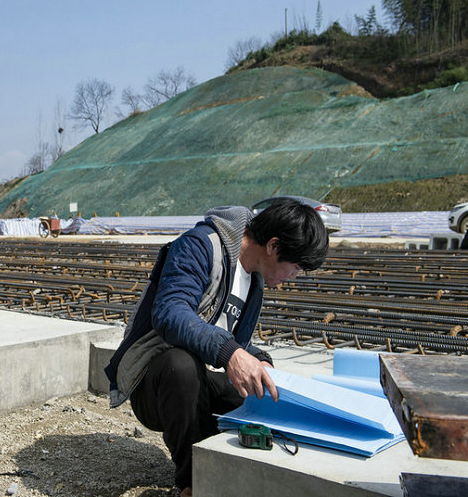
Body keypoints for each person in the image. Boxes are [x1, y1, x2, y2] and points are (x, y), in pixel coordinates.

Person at [104, 201, 329, 496]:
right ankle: (194, 482)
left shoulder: (253, 278)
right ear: (273, 246)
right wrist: (231, 353)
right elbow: (170, 313)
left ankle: (228, 465)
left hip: (202, 382)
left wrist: (258, 359)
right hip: (157, 384)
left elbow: (232, 337)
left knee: (261, 392)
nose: (293, 277)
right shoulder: (200, 246)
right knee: (181, 365)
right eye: (296, 267)